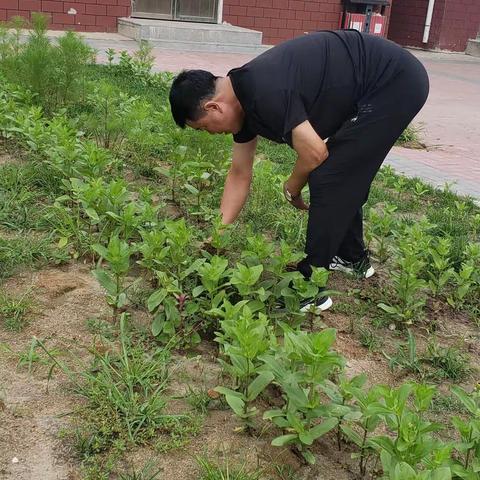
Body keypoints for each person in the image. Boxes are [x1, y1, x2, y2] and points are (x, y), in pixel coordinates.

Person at [168, 29, 429, 313]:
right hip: (375, 82)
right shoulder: (242, 98)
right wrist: (217, 233)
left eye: (204, 127)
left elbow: (315, 153)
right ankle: (351, 258)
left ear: (214, 107)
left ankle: (310, 288)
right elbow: (239, 173)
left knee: (330, 176)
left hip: (393, 81)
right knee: (342, 171)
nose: (210, 134)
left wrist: (292, 186)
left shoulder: (263, 91)